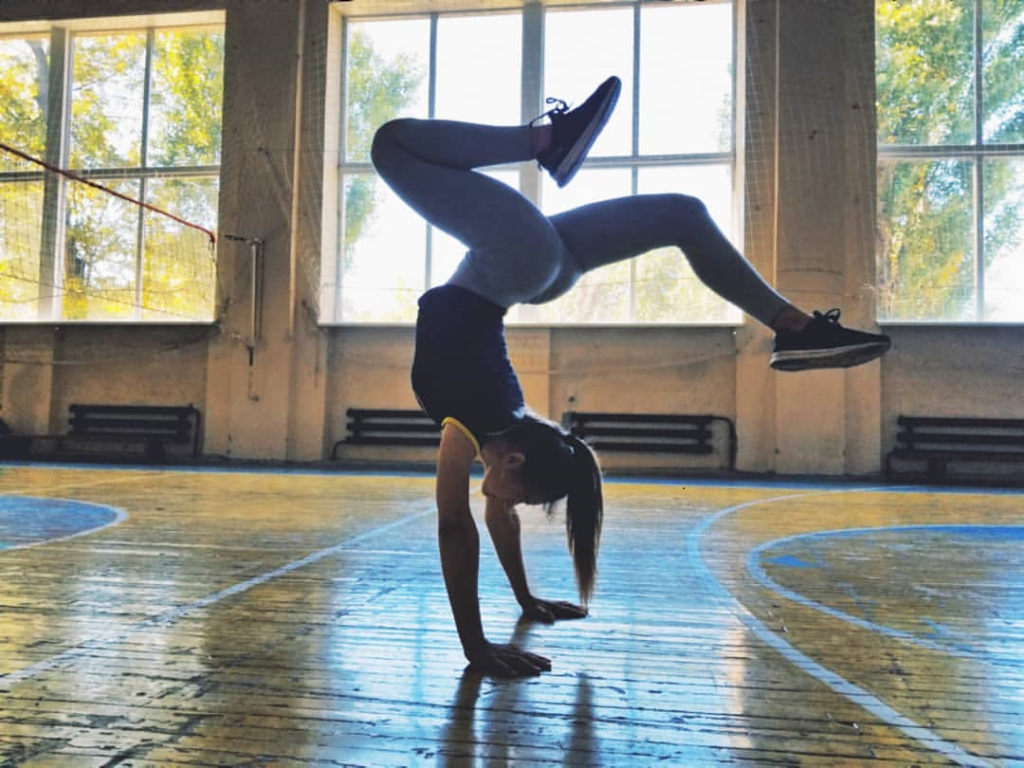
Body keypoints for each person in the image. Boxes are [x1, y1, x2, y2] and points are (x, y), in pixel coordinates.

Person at [370, 76, 890, 678]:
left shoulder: (497, 421)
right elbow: (469, 521)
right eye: (527, 497)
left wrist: (495, 628)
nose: (515, 507)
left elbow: (463, 524)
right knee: (395, 147)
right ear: (514, 460)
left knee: (396, 145)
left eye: (525, 501)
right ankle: (793, 327)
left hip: (531, 267)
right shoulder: (479, 421)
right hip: (519, 264)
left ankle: (548, 142)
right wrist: (488, 635)